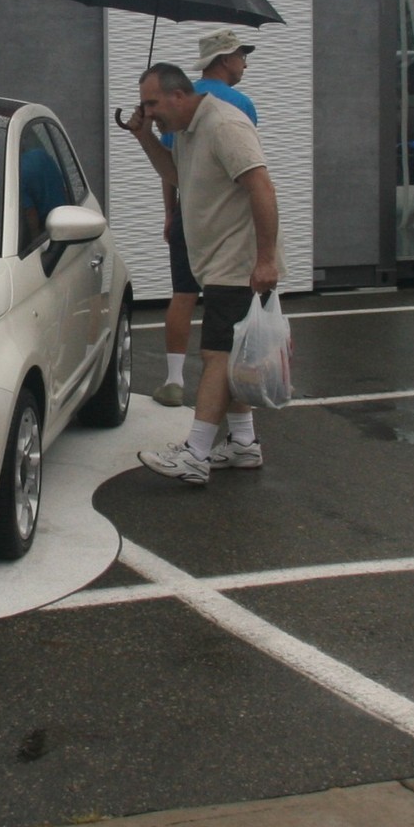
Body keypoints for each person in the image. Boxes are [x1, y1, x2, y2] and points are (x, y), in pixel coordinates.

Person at [133, 64, 280, 486]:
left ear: (179, 96)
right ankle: (243, 443)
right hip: (219, 262)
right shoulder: (187, 131)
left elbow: (261, 186)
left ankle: (195, 454)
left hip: (238, 264)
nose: (148, 112)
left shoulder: (224, 125)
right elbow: (177, 176)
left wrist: (265, 260)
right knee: (232, 357)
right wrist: (144, 135)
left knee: (217, 356)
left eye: (152, 104)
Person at [123, 30, 259, 407]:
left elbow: (179, 173)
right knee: (225, 340)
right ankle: (239, 430)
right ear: (225, 59)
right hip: (219, 229)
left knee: (189, 305)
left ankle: (175, 384)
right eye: (241, 56)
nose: (244, 64)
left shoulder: (200, 109)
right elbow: (236, 173)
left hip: (204, 225)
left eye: (151, 103)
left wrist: (171, 213)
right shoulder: (225, 108)